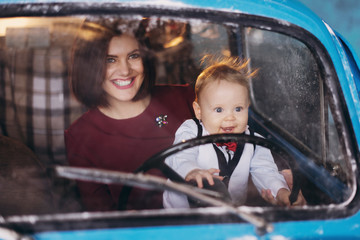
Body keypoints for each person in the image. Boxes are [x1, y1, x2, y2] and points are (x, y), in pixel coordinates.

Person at [65, 20, 194, 211]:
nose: (125, 71)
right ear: (89, 67)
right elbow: (104, 218)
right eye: (110, 59)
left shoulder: (186, 97)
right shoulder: (80, 136)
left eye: (134, 56)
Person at [163, 56, 305, 208]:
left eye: (238, 109)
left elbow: (266, 172)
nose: (230, 117)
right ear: (199, 111)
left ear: (247, 107)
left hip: (229, 216)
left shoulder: (254, 141)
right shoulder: (191, 130)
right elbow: (179, 156)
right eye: (219, 110)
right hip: (180, 218)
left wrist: (281, 192)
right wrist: (191, 171)